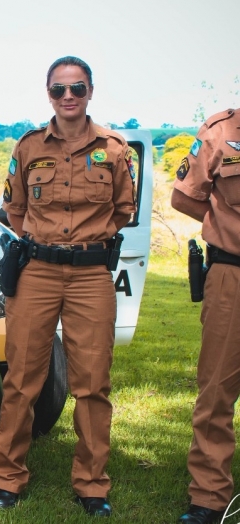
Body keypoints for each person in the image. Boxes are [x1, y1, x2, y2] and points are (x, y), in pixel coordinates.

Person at [0, 56, 136, 516]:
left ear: (90, 90)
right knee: (22, 380)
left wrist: (85, 244)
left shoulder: (114, 149)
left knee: (92, 384)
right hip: (37, 271)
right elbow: (14, 210)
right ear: (47, 93)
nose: (67, 97)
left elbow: (122, 210)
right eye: (58, 90)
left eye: (76, 88)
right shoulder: (29, 146)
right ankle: (6, 479)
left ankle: (92, 485)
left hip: (91, 275)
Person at [171, 108, 240, 524]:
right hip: (233, 272)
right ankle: (209, 499)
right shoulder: (222, 131)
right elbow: (184, 196)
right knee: (216, 387)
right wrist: (225, 224)